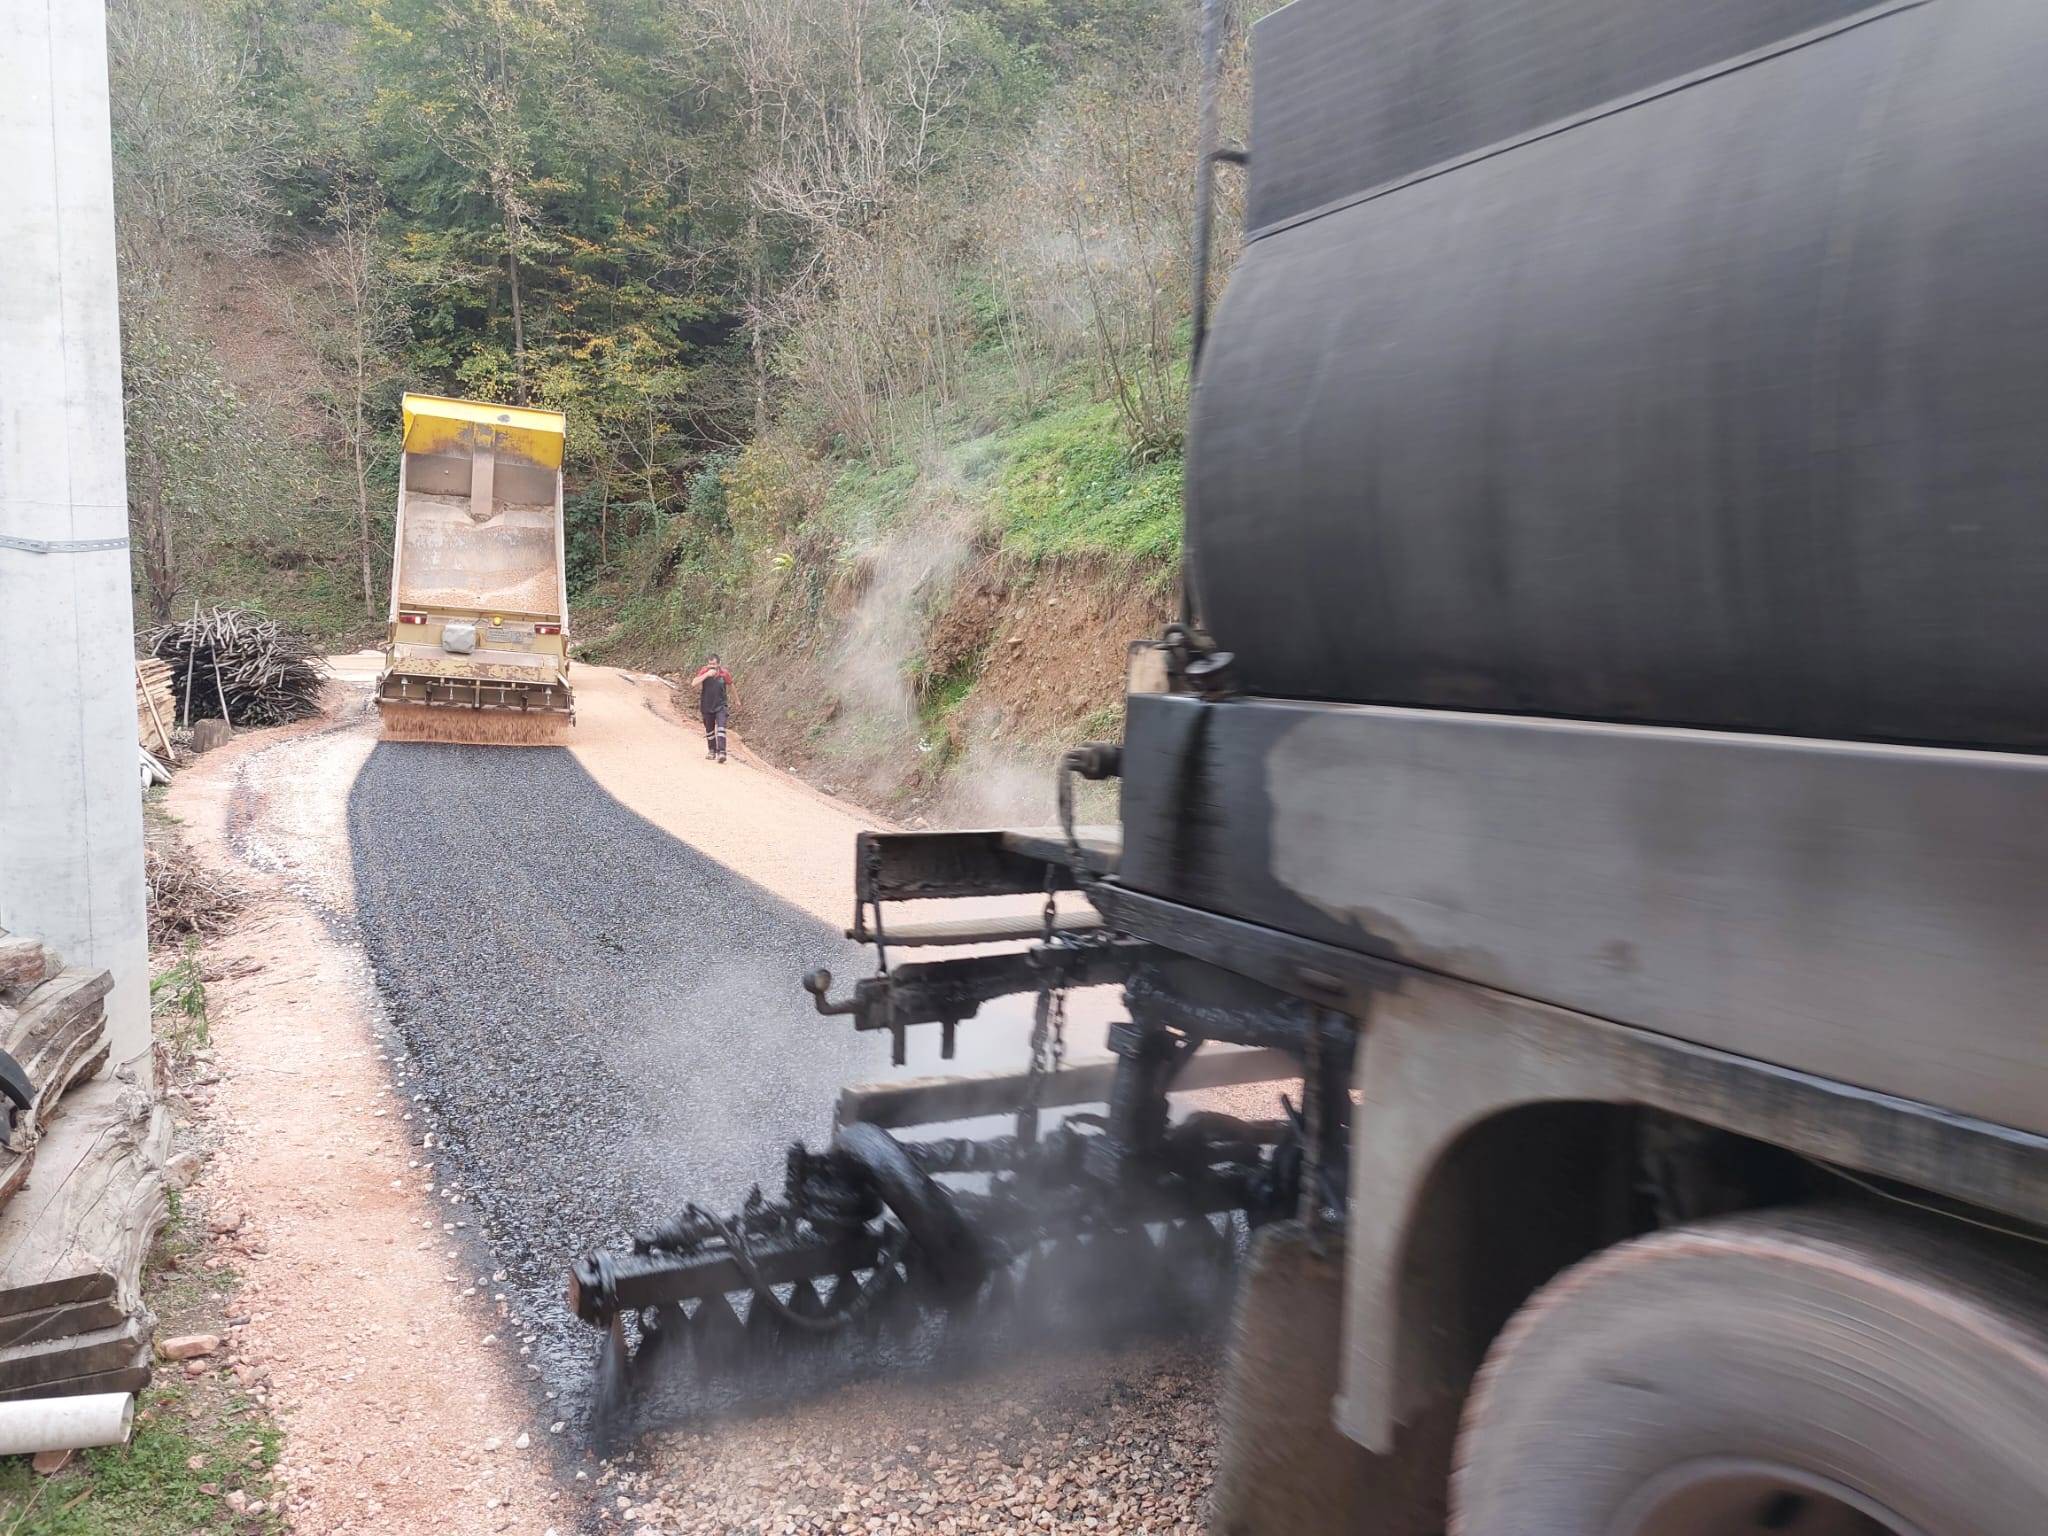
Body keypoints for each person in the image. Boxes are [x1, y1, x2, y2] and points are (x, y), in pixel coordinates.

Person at [691, 655, 733, 762]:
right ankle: (712, 751)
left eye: (713, 664)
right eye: (710, 664)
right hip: (707, 705)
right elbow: (694, 683)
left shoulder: (724, 673)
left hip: (721, 705)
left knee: (721, 728)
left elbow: (731, 685)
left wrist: (737, 701)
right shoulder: (704, 671)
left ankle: (722, 752)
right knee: (709, 730)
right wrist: (706, 675)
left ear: (719, 664)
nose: (711, 666)